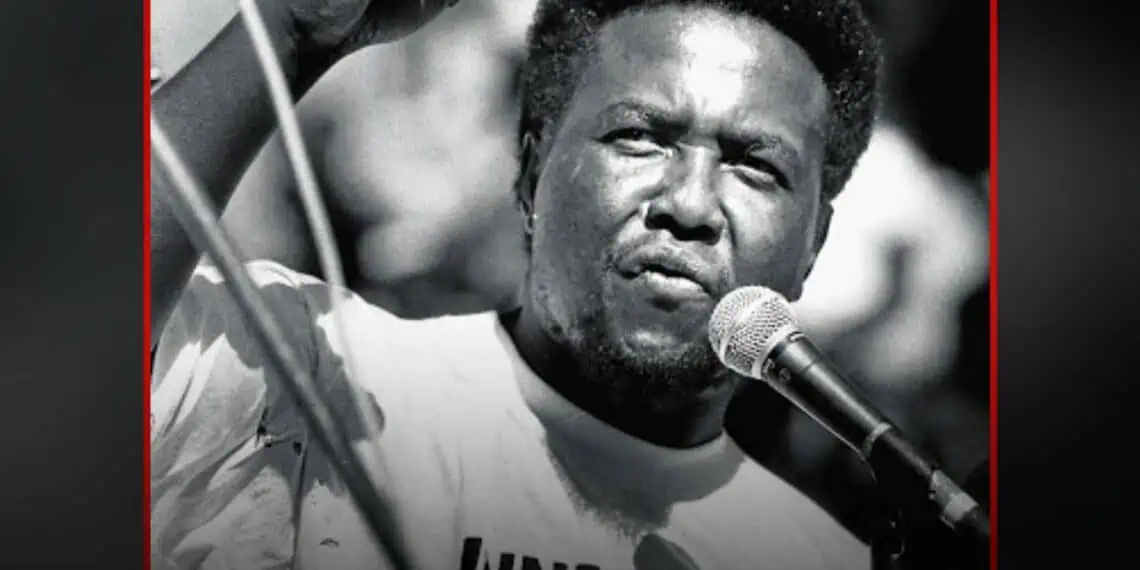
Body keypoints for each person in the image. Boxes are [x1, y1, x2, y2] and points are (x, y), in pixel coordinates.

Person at [149, 0, 883, 568]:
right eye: (639, 136)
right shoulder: (316, 375)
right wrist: (290, 29)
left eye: (755, 166)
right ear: (531, 173)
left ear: (813, 244)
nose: (689, 205)